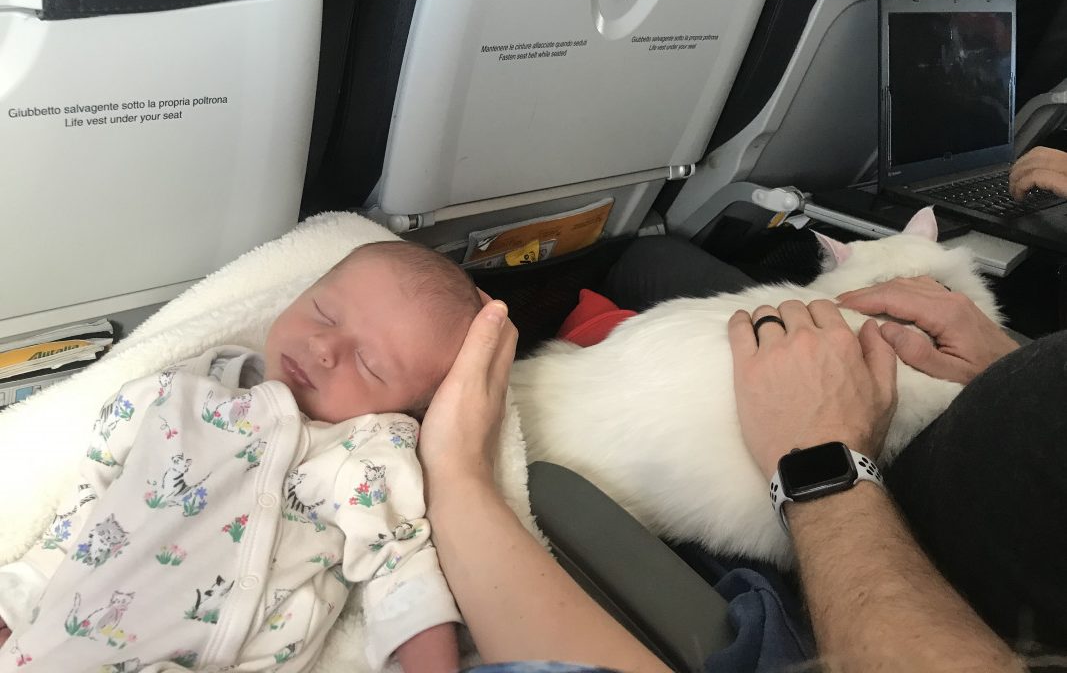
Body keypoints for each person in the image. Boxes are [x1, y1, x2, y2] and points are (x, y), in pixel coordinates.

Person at [419, 239, 1066, 671]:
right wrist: (1009, 364)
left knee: (654, 275)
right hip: (995, 401)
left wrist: (822, 462)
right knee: (654, 256)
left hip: (884, 520)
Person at [0, 241, 481, 673]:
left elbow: (398, 566)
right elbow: (83, 513)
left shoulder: (363, 451)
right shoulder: (181, 394)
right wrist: (13, 602)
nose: (324, 346)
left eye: (369, 364)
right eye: (323, 313)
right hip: (50, 647)